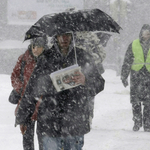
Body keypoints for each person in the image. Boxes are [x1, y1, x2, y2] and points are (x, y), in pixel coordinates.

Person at [15, 32, 105, 150]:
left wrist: (85, 80)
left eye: (67, 34)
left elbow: (99, 83)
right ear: (55, 37)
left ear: (72, 36)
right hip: (49, 122)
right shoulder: (46, 58)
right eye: (60, 35)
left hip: (75, 122)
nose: (64, 38)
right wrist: (24, 118)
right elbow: (31, 89)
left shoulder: (82, 56)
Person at [11, 36, 48, 150]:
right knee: (27, 137)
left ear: (44, 47)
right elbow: (15, 76)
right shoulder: (24, 59)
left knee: (44, 138)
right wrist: (22, 88)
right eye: (33, 46)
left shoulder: (48, 61)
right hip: (26, 103)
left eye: (39, 46)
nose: (35, 49)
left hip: (44, 105)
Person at [121, 24, 150, 132]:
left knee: (149, 102)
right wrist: (124, 76)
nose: (147, 34)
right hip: (136, 75)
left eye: (149, 32)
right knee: (135, 101)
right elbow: (127, 61)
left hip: (149, 75)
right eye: (146, 32)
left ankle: (147, 124)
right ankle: (137, 122)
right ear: (141, 33)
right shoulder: (133, 44)